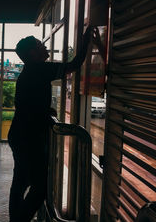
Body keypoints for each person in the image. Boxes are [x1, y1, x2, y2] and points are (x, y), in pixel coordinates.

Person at [8, 26, 99, 222]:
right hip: (29, 137)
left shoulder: (29, 71)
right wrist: (85, 43)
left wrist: (44, 110)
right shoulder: (39, 68)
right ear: (33, 53)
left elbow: (27, 102)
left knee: (20, 182)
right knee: (40, 187)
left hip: (20, 133)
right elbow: (74, 64)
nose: (45, 46)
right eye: (41, 45)